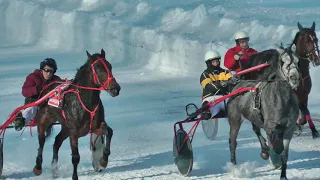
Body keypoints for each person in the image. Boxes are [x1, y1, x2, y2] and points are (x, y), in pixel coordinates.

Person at [13, 58, 62, 131]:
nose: (49, 73)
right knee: (31, 110)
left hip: (48, 105)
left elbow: (62, 85)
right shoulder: (33, 77)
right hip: (34, 103)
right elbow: (24, 91)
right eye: (46, 70)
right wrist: (36, 89)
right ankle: (20, 121)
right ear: (42, 70)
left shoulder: (56, 79)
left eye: (51, 71)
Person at [200, 50, 238, 120]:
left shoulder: (225, 72)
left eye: (217, 61)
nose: (216, 64)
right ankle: (206, 112)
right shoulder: (205, 74)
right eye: (214, 62)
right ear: (208, 63)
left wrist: (234, 80)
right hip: (211, 99)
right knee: (211, 108)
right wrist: (221, 84)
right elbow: (208, 87)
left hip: (225, 98)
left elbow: (231, 81)